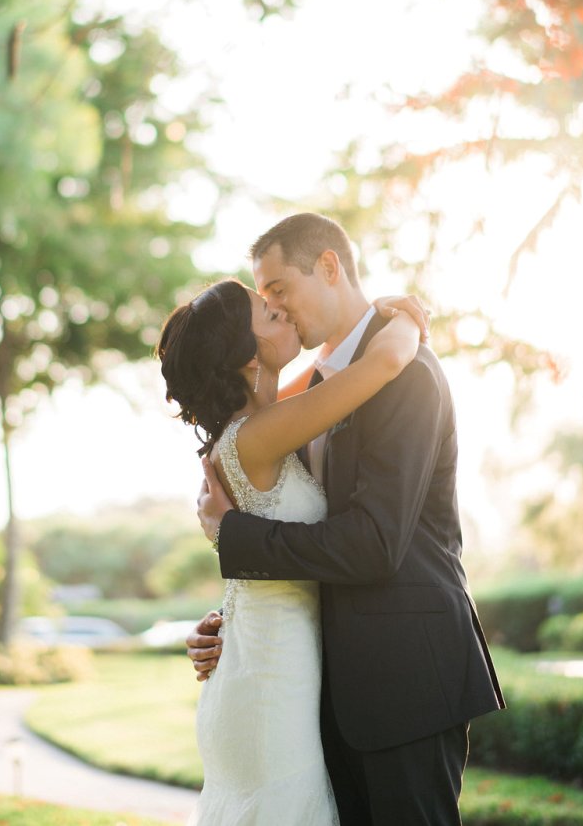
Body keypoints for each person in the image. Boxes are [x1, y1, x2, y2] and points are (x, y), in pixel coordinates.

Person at [190, 213, 505, 826]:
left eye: (279, 289)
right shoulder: (317, 390)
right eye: (264, 301)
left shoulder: (405, 373)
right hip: (324, 694)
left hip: (406, 683)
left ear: (329, 267)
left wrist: (238, 541)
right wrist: (232, 619)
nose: (274, 309)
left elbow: (374, 545)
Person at [158, 276, 424, 826]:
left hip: (258, 664)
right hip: (268, 689)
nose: (284, 314)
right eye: (269, 314)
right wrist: (407, 318)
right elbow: (382, 366)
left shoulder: (257, 428)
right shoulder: (260, 435)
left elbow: (323, 375)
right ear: (246, 355)